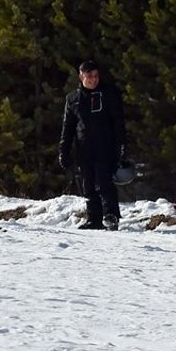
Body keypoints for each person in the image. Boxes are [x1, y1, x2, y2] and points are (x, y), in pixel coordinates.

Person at [58, 60, 126, 230]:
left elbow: (118, 121)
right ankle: (93, 218)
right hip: (84, 148)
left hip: (106, 146)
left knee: (104, 182)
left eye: (96, 76)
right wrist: (63, 151)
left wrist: (121, 145)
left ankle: (111, 216)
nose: (93, 79)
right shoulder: (73, 98)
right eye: (89, 76)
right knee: (87, 185)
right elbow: (68, 128)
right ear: (81, 76)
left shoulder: (108, 93)